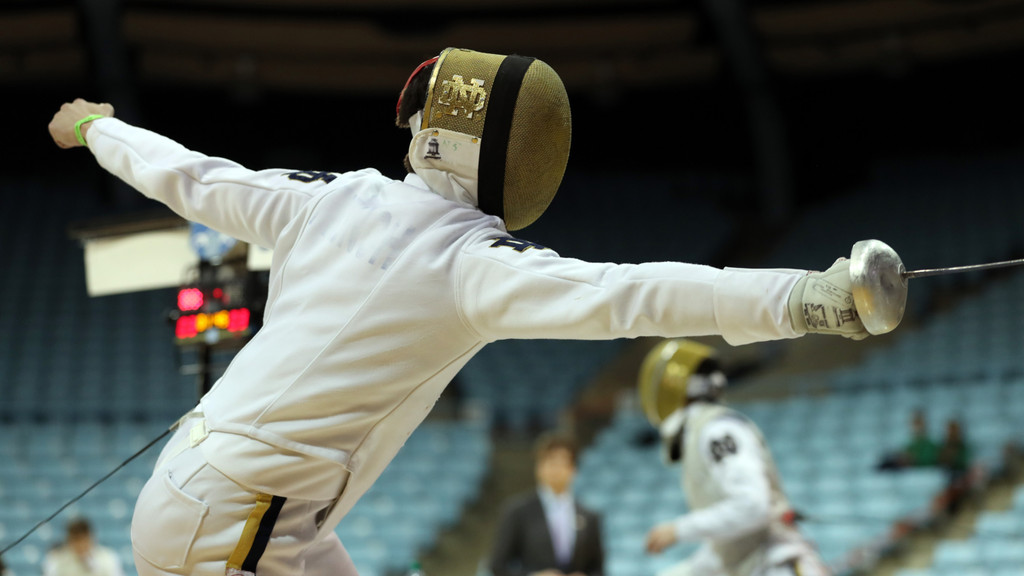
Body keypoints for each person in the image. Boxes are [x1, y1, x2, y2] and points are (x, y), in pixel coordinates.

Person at [48, 47, 873, 576]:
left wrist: (97, 129)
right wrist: (807, 298)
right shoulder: (469, 267)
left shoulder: (334, 198)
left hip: (236, 504)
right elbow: (634, 292)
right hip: (237, 519)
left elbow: (193, 175)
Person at [639, 339, 831, 576]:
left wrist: (678, 530)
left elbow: (752, 505)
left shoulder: (717, 430)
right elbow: (730, 549)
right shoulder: (702, 432)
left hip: (778, 565)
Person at [489, 433, 603, 576]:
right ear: (539, 468)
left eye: (564, 463)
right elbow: (497, 565)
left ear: (574, 470)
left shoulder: (589, 516)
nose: (557, 469)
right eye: (551, 462)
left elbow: (598, 568)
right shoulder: (518, 511)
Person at [42, 518, 124, 576]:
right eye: (76, 540)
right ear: (68, 540)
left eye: (83, 539)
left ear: (91, 537)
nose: (80, 545)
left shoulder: (108, 558)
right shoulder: (56, 560)